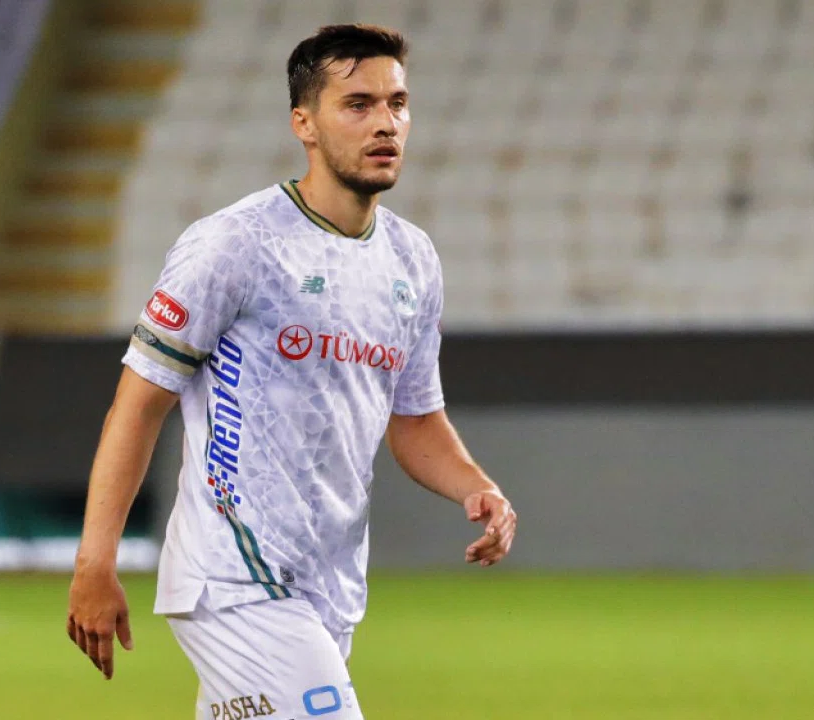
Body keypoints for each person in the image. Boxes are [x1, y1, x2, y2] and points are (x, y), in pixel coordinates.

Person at [67, 23, 517, 719]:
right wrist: (95, 563)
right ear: (303, 123)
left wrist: (476, 488)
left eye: (397, 103)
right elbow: (139, 403)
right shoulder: (235, 244)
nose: (386, 123)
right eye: (358, 104)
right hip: (233, 575)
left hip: (330, 586)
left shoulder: (412, 260)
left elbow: (415, 418)